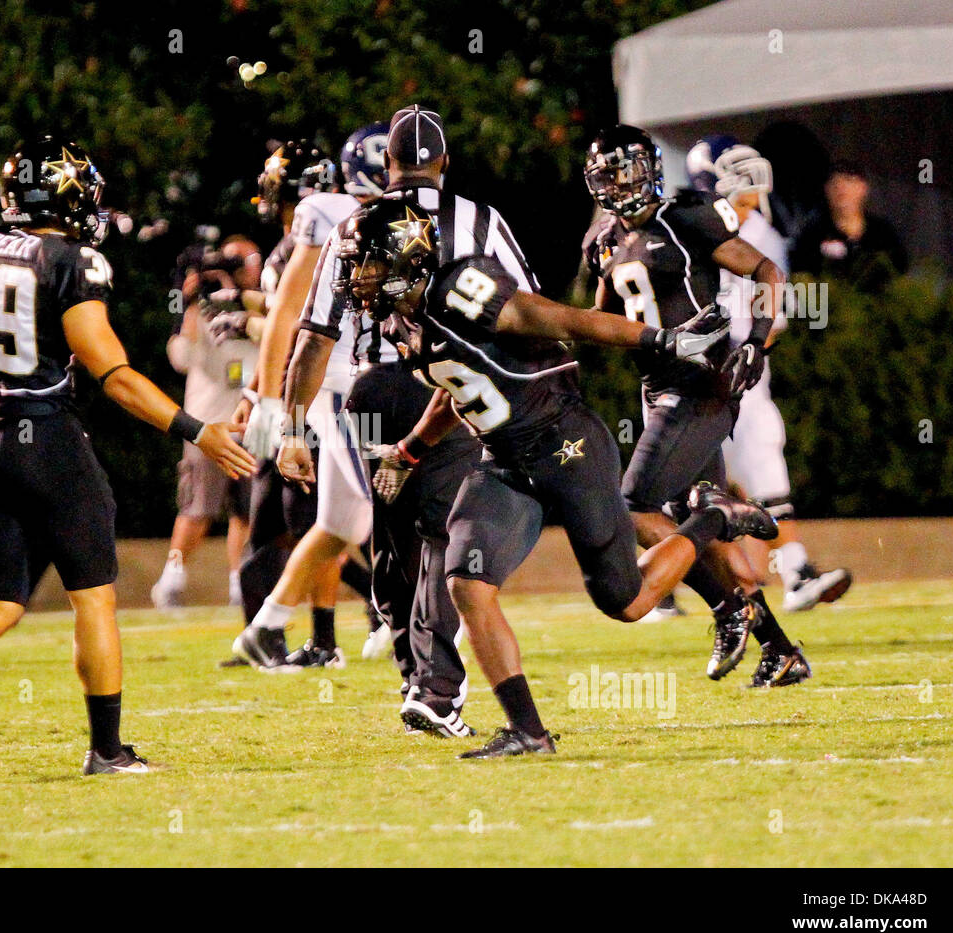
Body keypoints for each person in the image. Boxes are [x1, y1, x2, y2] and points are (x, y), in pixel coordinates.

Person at [0, 136, 254, 781]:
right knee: (94, 598)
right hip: (47, 444)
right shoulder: (67, 261)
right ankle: (107, 750)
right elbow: (114, 376)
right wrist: (196, 429)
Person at [342, 195, 774, 758]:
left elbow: (569, 320)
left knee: (628, 602)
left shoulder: (462, 289)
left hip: (565, 443)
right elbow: (460, 390)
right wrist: (409, 451)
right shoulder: (406, 318)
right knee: (466, 584)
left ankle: (712, 517)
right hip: (502, 459)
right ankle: (529, 732)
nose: (357, 278)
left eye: (367, 263)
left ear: (405, 257)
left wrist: (661, 340)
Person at [272, 105, 537, 737]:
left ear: (387, 162)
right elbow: (526, 308)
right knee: (444, 532)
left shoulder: (354, 223)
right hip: (441, 388)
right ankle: (435, 687)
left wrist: (289, 428)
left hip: (368, 395)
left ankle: (412, 670)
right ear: (444, 162)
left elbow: (313, 337)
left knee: (394, 535)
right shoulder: (477, 220)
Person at [583, 124, 811, 688]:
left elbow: (766, 270)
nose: (619, 184)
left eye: (627, 170)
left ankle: (725, 560)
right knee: (684, 528)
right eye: (608, 175)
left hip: (702, 385)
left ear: (651, 170)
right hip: (657, 388)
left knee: (633, 505)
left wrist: (755, 340)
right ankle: (779, 650)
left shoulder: (684, 217)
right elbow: (604, 316)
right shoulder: (604, 238)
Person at [228, 137, 378, 663]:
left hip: (332, 385)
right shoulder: (328, 217)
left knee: (338, 519)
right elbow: (290, 320)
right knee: (350, 509)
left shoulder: (329, 215)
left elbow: (281, 320)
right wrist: (268, 405)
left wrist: (266, 400)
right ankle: (392, 623)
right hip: (328, 387)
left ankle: (274, 627)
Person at [687, 136, 852, 612]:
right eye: (738, 187)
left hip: (739, 370)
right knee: (684, 486)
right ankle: (664, 583)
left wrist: (747, 355)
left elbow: (774, 320)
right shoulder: (680, 229)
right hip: (684, 376)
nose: (749, 197)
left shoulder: (760, 234)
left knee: (762, 459)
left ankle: (793, 572)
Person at [151, 235, 261, 608]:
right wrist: (188, 301)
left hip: (250, 422)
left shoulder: (264, 301)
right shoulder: (203, 305)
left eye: (251, 259)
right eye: (238, 261)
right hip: (208, 422)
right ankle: (172, 575)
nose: (249, 267)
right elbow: (181, 356)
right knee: (197, 510)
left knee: (245, 513)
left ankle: (238, 582)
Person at [791, 160, 907, 288]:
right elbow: (801, 278)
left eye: (849, 180)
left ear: (863, 188)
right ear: (826, 190)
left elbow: (898, 273)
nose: (841, 188)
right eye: (835, 183)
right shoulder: (813, 235)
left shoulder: (882, 233)